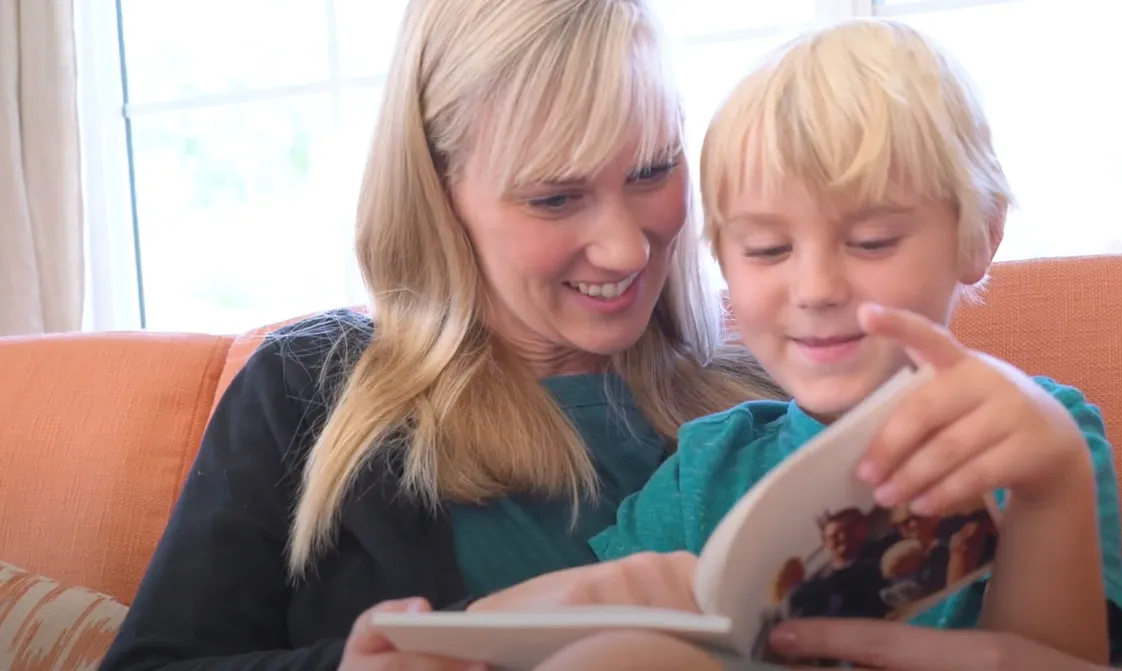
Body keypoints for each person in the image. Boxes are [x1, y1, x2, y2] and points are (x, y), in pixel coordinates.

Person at [97, 1, 786, 669]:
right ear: (438, 193)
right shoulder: (311, 393)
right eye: (554, 198)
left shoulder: (774, 396)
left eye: (652, 170)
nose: (625, 250)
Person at [551, 16, 1122, 670]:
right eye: (768, 249)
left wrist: (1053, 485)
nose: (814, 288)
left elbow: (1061, 658)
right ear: (725, 263)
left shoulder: (1036, 435)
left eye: (872, 242)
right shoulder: (707, 466)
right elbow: (580, 623)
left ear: (979, 235)